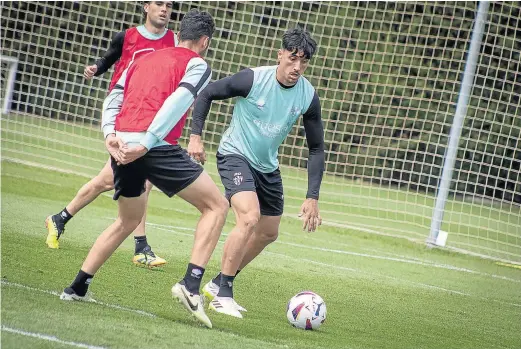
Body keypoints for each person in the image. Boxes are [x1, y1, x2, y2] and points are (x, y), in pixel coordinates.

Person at [60, 9, 228, 329]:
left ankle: (76, 288)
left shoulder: (141, 59)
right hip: (152, 147)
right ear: (205, 41)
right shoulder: (198, 64)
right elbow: (177, 102)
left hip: (122, 143)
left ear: (178, 34)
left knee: (127, 220)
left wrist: (110, 134)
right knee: (217, 206)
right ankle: (191, 286)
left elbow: (114, 96)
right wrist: (148, 142)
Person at [188, 27, 325, 318]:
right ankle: (223, 293)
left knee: (268, 232)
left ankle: (218, 283)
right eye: (292, 58)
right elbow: (208, 93)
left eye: (304, 61)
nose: (297, 67)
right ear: (280, 55)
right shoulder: (253, 79)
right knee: (249, 217)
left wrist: (312, 197)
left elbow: (316, 149)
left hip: (267, 165)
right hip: (235, 155)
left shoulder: (308, 96)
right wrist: (195, 136)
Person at [45, 1, 177, 268]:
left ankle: (60, 218)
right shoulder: (127, 37)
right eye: (159, 3)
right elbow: (109, 58)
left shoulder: (174, 40)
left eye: (169, 5)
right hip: (126, 115)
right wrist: (96, 68)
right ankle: (141, 248)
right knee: (141, 180)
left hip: (151, 117)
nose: (164, 9)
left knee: (107, 180)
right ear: (145, 7)